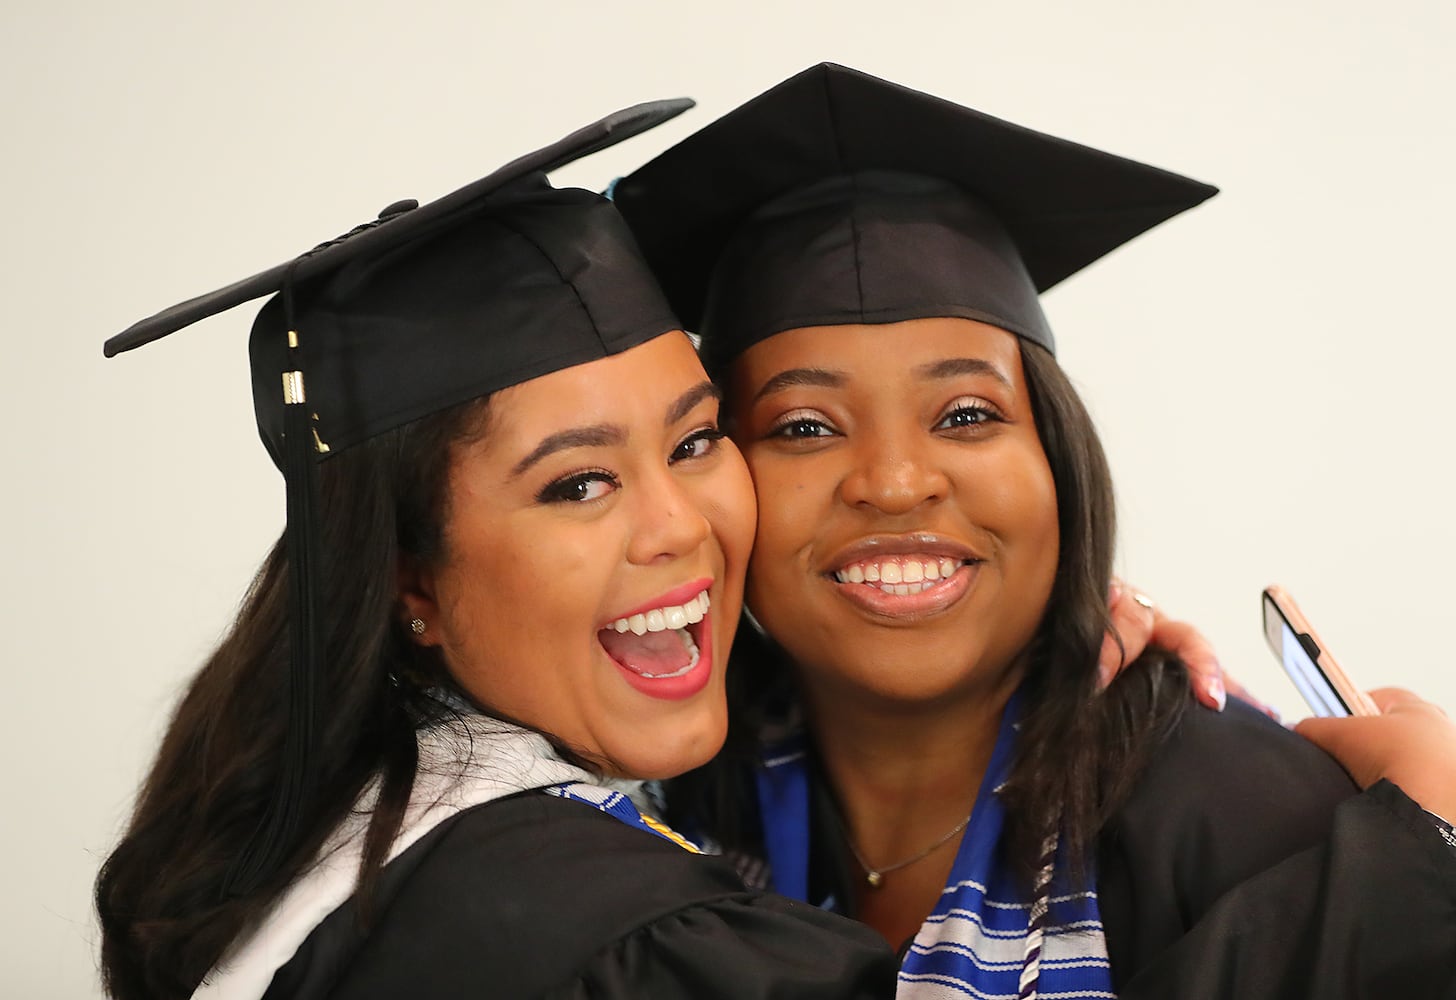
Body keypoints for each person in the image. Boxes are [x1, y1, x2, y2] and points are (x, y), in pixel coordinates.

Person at [613, 63, 1456, 997]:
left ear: (1057, 458)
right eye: (804, 426)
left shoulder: (1249, 826)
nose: (894, 483)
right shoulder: (653, 807)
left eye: (967, 414)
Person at [93, 101, 899, 1000]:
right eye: (579, 484)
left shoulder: (316, 854)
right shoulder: (618, 942)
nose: (679, 526)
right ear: (410, 582)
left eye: (696, 442)